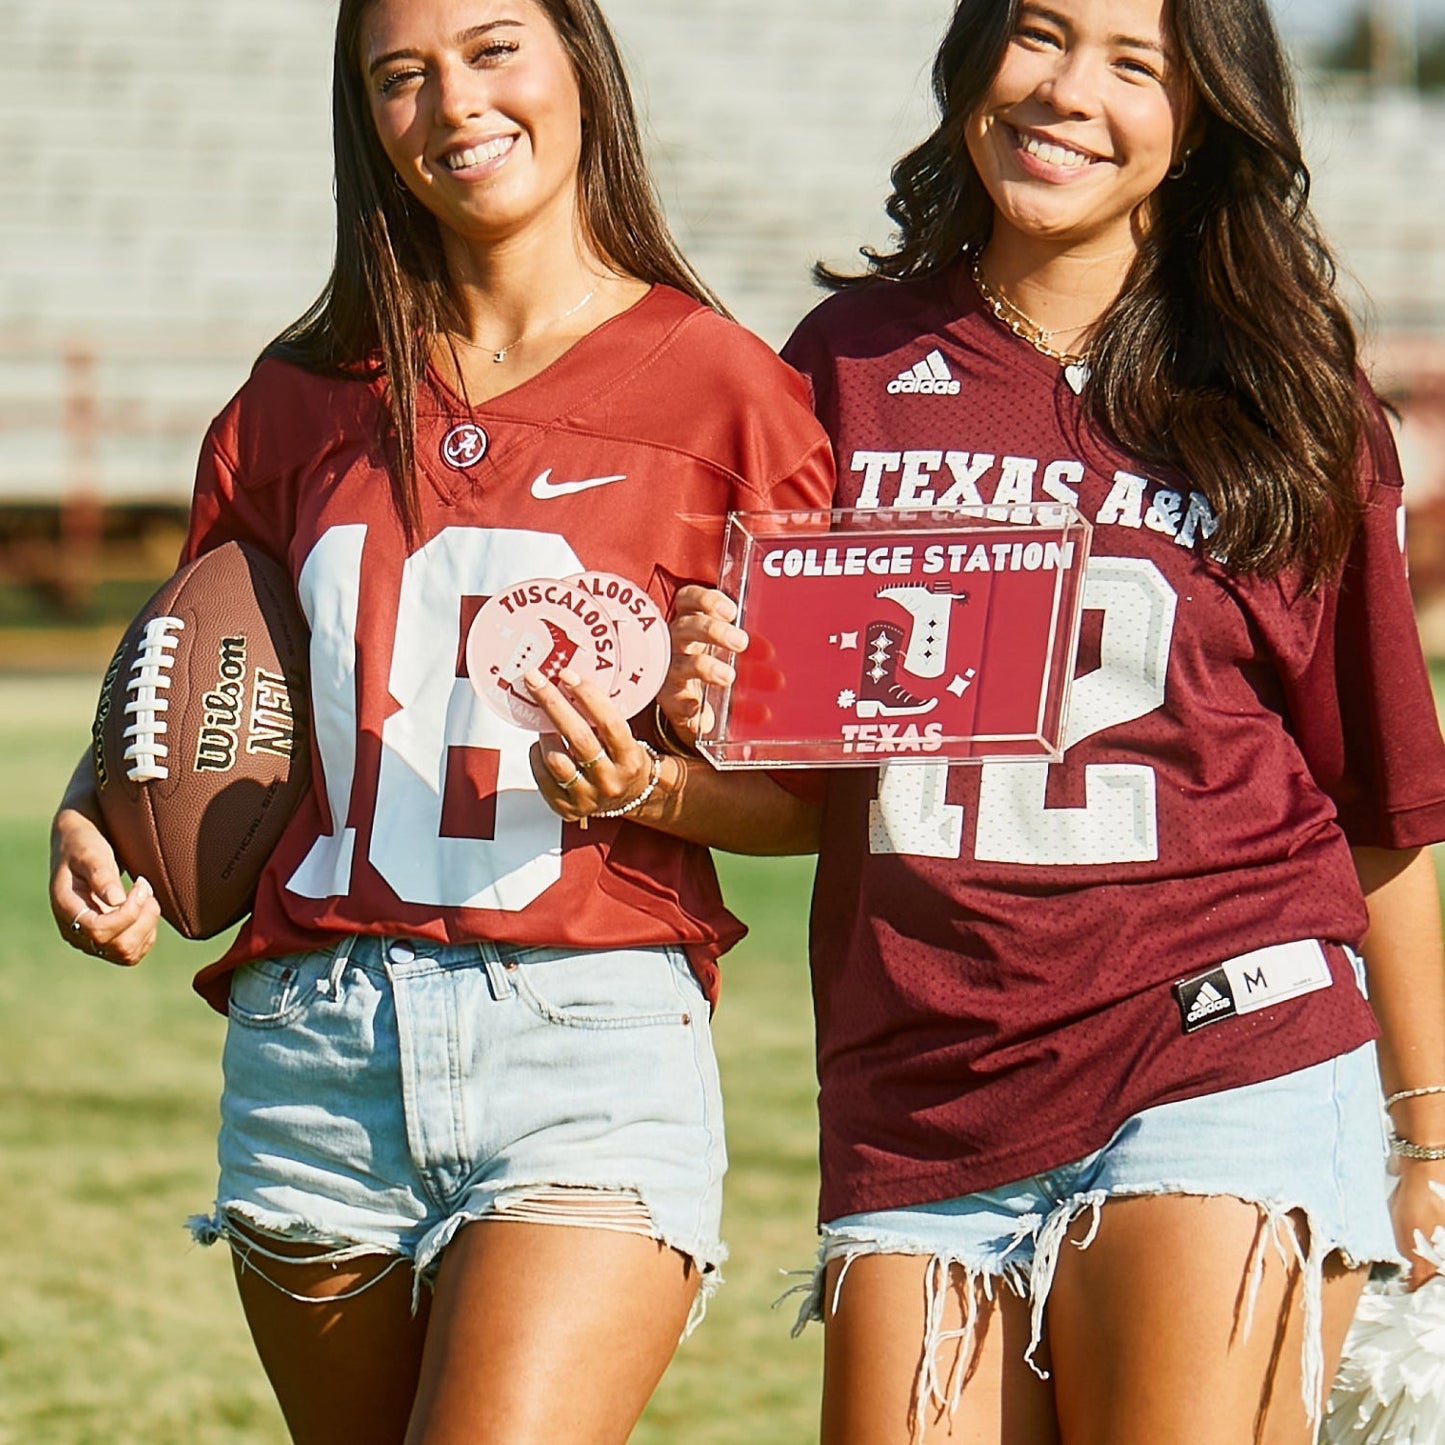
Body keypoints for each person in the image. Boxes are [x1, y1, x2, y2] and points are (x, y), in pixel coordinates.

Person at [46, 1, 831, 1440]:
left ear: (577, 65)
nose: (449, 103)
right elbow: (196, 675)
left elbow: (820, 803)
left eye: (489, 49)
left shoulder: (731, 392)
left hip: (585, 1035)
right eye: (397, 76)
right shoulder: (294, 400)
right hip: (314, 1046)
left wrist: (650, 786)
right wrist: (92, 808)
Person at [664, 0, 1445, 1440]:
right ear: (971, 59)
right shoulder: (841, 360)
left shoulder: (1279, 388)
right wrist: (703, 718)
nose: (1067, 90)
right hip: (924, 1078)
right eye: (1037, 33)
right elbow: (809, 770)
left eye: (1134, 64)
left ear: (1202, 114)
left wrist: (1430, 1136)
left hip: (1226, 1034)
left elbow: (1382, 802)